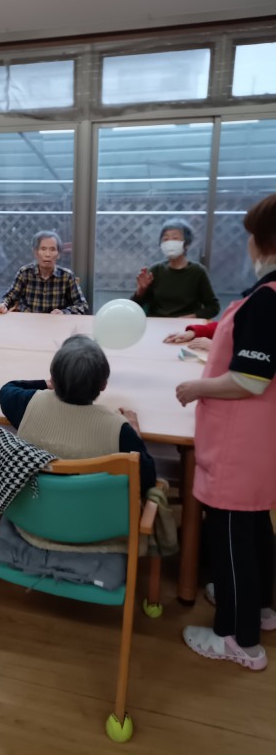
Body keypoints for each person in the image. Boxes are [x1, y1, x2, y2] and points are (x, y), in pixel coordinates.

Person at [175, 194, 276, 671]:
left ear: (264, 242)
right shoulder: (268, 294)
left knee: (231, 534)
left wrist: (196, 387)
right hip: (261, 442)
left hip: (241, 442)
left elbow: (249, 379)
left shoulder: (267, 299)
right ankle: (259, 607)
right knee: (255, 527)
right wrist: (206, 333)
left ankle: (238, 640)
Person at [0, 334, 156, 492]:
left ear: (53, 379)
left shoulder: (28, 405)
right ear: (104, 384)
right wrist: (135, 431)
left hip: (30, 506)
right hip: (92, 508)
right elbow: (146, 481)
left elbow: (7, 389)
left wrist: (47, 383)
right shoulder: (119, 430)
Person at [132, 219, 220, 318]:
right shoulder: (155, 270)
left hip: (186, 325)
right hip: (158, 322)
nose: (170, 242)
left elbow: (213, 307)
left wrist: (188, 318)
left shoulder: (198, 271)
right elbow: (134, 307)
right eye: (165, 239)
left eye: (175, 238)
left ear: (186, 244)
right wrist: (141, 290)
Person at [0, 230, 88, 315]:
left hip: (55, 324)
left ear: (58, 254)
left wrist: (64, 312)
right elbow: (9, 297)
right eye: (43, 249)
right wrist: (3, 305)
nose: (47, 254)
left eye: (52, 249)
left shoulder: (67, 276)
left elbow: (82, 305)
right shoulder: (25, 273)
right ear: (35, 253)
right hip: (28, 322)